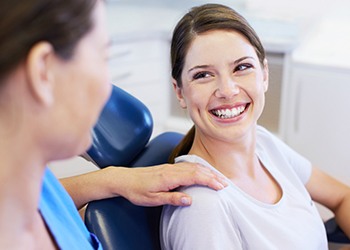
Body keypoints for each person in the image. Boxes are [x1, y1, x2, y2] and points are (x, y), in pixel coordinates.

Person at [0, 0, 228, 248]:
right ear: (43, 72)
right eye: (102, 58)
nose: (108, 90)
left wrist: (114, 180)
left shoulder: (32, 181)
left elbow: (50, 199)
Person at [160, 3, 350, 249]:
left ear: (264, 75)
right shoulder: (202, 207)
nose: (227, 90)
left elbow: (342, 197)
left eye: (242, 68)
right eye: (203, 75)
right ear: (180, 92)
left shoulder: (265, 144)